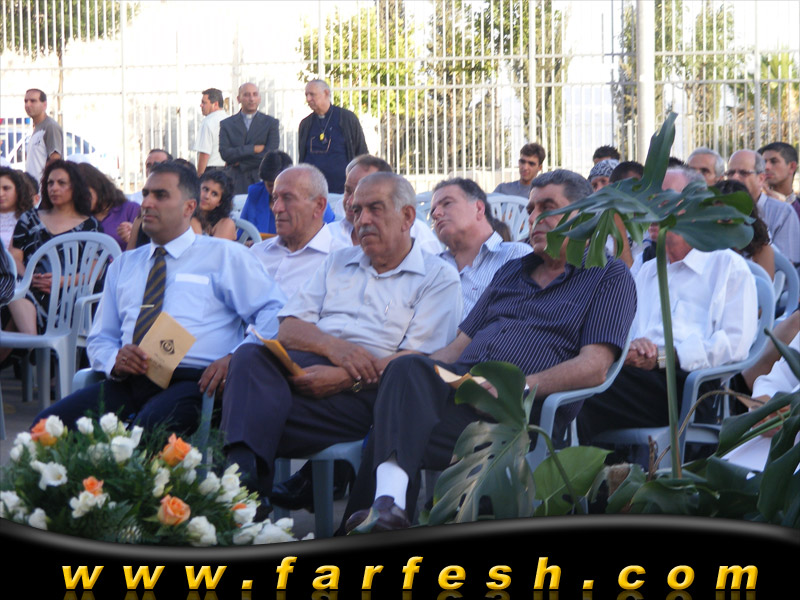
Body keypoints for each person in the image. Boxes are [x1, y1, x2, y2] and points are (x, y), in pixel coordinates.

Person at [342, 169, 637, 532]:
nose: (534, 218)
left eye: (548, 207)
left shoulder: (608, 275)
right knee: (405, 373)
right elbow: (454, 351)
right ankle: (387, 509)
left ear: (585, 215)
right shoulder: (512, 271)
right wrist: (404, 375)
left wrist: (516, 387)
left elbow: (594, 367)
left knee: (394, 427)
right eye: (530, 209)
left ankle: (379, 514)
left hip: (518, 413)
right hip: (460, 390)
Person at [221, 172, 462, 515]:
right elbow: (289, 328)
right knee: (249, 355)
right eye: (357, 210)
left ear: (407, 216)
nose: (362, 220)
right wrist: (338, 350)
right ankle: (247, 486)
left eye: (375, 209)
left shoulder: (438, 277)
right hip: (303, 374)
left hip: (372, 394)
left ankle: (240, 495)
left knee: (244, 414)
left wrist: (346, 377)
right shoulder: (337, 262)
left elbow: (416, 360)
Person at [32, 161, 286, 437]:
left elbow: (273, 311)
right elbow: (100, 338)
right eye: (145, 194)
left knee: (146, 432)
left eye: (160, 195)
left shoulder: (224, 256)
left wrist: (237, 358)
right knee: (46, 427)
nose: (147, 203)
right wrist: (115, 360)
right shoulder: (124, 265)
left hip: (196, 381)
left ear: (189, 207)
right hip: (131, 380)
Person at [577, 167, 758, 446]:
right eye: (651, 199)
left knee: (580, 393)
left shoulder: (727, 266)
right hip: (632, 376)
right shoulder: (647, 270)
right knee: (573, 385)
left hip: (688, 386)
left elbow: (735, 345)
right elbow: (626, 330)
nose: (653, 208)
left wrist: (664, 356)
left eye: (666, 198)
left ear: (696, 206)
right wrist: (632, 347)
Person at [10, 160, 100, 335]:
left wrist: (61, 281)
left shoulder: (91, 226)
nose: (54, 188)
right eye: (50, 183)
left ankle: (32, 345)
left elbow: (95, 271)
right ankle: (35, 343)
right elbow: (14, 256)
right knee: (13, 289)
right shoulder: (29, 218)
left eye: (61, 183)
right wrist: (30, 278)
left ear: (75, 187)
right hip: (29, 287)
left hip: (71, 294)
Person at [432, 177, 531, 316]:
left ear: (479, 208)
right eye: (433, 211)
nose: (436, 214)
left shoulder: (516, 256)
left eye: (447, 203)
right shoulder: (430, 267)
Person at [250, 164, 349, 299]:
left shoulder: (340, 261)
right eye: (275, 198)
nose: (276, 208)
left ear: (319, 206)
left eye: (288, 198)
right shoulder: (257, 253)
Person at [328, 154, 442, 254]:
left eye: (364, 194)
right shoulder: (327, 236)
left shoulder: (417, 233)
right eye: (348, 191)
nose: (350, 201)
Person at [726, 149, 800, 267]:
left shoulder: (782, 213)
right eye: (730, 173)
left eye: (743, 173)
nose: (735, 178)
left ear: (761, 178)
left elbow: (785, 268)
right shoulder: (718, 209)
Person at [240, 151, 335, 236]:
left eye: (287, 197)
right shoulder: (256, 194)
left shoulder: (311, 194)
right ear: (263, 182)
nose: (275, 190)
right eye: (270, 185)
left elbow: (331, 233)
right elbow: (241, 233)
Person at [298, 80, 368, 194]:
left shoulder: (347, 118)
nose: (308, 99)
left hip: (342, 190)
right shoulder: (306, 124)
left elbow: (361, 152)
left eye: (312, 94)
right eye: (306, 95)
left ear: (326, 93)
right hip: (313, 191)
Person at [0, 167, 36, 365]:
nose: (0, 194)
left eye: (6, 188)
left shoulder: (28, 220)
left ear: (18, 190)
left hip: (19, 279)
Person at [219, 83, 280, 194]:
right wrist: (252, 149)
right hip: (235, 181)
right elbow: (225, 154)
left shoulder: (271, 123)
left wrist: (240, 164)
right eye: (246, 95)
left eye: (255, 94)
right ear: (238, 99)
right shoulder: (227, 124)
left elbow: (270, 154)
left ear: (259, 98)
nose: (251, 99)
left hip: (261, 180)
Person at [714, 179, 775, 280]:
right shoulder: (702, 245)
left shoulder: (761, 249)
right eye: (713, 215)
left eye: (726, 217)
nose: (719, 222)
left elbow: (764, 287)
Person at [76, 162, 140, 251]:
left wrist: (133, 236)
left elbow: (147, 246)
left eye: (85, 192)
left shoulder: (130, 209)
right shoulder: (78, 217)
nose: (81, 198)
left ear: (97, 186)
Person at [126, 150, 173, 248]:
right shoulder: (133, 199)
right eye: (149, 165)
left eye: (159, 164)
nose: (146, 204)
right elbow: (130, 253)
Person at [24, 89, 63, 184]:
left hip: (42, 188)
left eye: (33, 101)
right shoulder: (37, 127)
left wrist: (45, 184)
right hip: (33, 187)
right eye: (26, 101)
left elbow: (55, 159)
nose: (28, 105)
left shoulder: (50, 126)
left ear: (44, 105)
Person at [190, 170, 237, 241]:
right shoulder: (185, 214)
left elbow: (217, 248)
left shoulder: (225, 223)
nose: (207, 196)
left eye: (214, 194)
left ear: (220, 202)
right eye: (205, 189)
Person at [758, 142, 799, 223]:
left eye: (773, 161)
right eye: (764, 162)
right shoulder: (753, 206)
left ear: (792, 167)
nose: (766, 167)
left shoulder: (797, 209)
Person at [194, 88, 227, 176]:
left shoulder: (208, 122)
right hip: (228, 170)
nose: (201, 105)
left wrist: (199, 175)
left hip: (211, 171)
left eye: (204, 103)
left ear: (215, 104)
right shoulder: (229, 120)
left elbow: (204, 153)